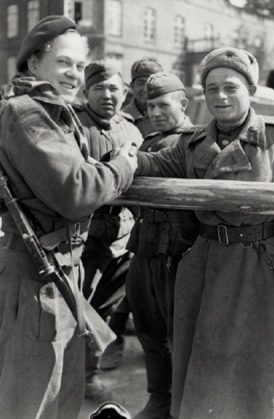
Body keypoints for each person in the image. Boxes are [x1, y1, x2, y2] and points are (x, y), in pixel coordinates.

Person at [135, 47, 274, 419]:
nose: (220, 96)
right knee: (202, 368)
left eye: (231, 87)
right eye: (212, 89)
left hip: (260, 271)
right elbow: (152, 164)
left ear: (249, 90)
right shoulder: (190, 144)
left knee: (252, 375)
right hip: (202, 269)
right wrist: (119, 158)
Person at [0, 16, 137, 418]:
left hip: (58, 273)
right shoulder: (28, 113)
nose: (75, 74)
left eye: (79, 66)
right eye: (64, 63)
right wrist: (125, 165)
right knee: (33, 400)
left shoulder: (55, 112)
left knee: (60, 395)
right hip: (36, 275)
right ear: (34, 62)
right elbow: (77, 191)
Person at [125, 71, 198, 419]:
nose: (154, 111)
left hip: (177, 250)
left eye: (162, 104)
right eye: (150, 105)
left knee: (177, 331)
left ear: (183, 104)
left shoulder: (193, 140)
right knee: (148, 327)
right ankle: (159, 399)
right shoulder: (149, 139)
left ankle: (182, 403)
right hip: (144, 246)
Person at [73, 62, 143, 403]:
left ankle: (89, 374)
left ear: (125, 93)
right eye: (100, 88)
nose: (108, 95)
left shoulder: (131, 130)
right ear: (86, 93)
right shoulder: (72, 125)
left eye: (115, 88)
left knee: (104, 310)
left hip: (122, 233)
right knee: (76, 308)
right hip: (83, 234)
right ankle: (72, 377)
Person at [122, 58, 162, 138]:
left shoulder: (168, 115)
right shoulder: (122, 119)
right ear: (132, 86)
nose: (145, 89)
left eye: (151, 83)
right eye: (140, 83)